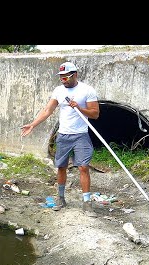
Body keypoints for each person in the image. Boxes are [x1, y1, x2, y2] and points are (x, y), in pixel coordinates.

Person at [21, 61, 100, 217]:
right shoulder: (58, 91)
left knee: (83, 167)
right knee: (61, 167)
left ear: (75, 75)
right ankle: (61, 198)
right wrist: (33, 125)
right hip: (63, 135)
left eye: (66, 77)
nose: (63, 80)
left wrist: (79, 107)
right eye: (61, 77)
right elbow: (48, 110)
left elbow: (95, 114)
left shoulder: (87, 90)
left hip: (81, 136)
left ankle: (87, 203)